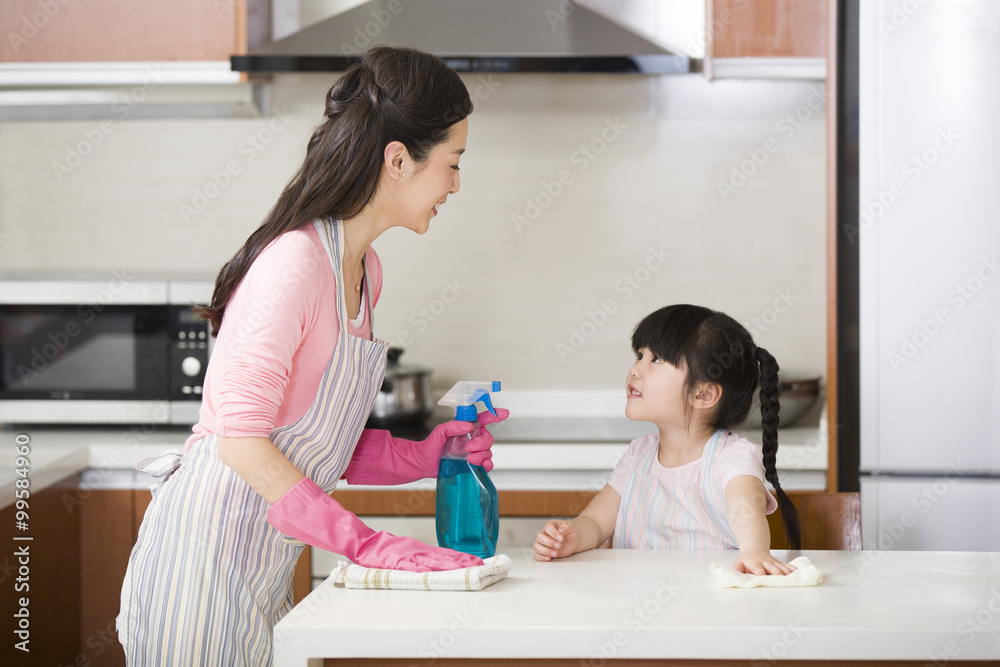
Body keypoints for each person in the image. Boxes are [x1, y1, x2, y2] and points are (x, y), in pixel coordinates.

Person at [117, 46, 508, 666]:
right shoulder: (295, 265)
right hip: (200, 562)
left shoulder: (363, 272)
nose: (456, 184)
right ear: (399, 160)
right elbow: (240, 440)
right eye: (454, 163)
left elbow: (314, 437)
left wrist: (423, 455)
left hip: (259, 569)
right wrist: (364, 543)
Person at [533, 304, 800, 575]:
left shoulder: (731, 456)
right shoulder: (639, 455)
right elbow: (596, 522)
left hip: (708, 605)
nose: (635, 369)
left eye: (656, 359)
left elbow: (746, 508)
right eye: (639, 355)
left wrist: (755, 551)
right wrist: (573, 536)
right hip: (635, 600)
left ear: (703, 395)